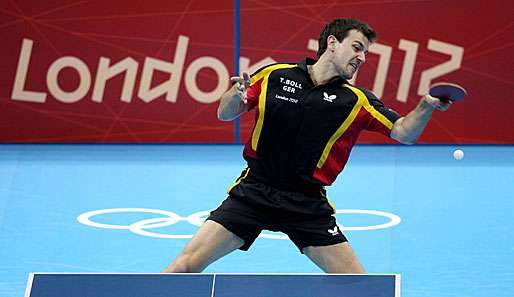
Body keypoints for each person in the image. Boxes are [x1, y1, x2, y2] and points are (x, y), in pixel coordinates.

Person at [164, 18, 451, 273]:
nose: (362, 57)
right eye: (357, 47)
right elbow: (225, 113)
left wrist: (425, 106)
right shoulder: (275, 76)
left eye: (366, 52)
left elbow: (404, 132)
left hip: (307, 204)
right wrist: (233, 94)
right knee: (184, 265)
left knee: (358, 286)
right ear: (332, 43)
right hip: (253, 193)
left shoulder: (356, 100)